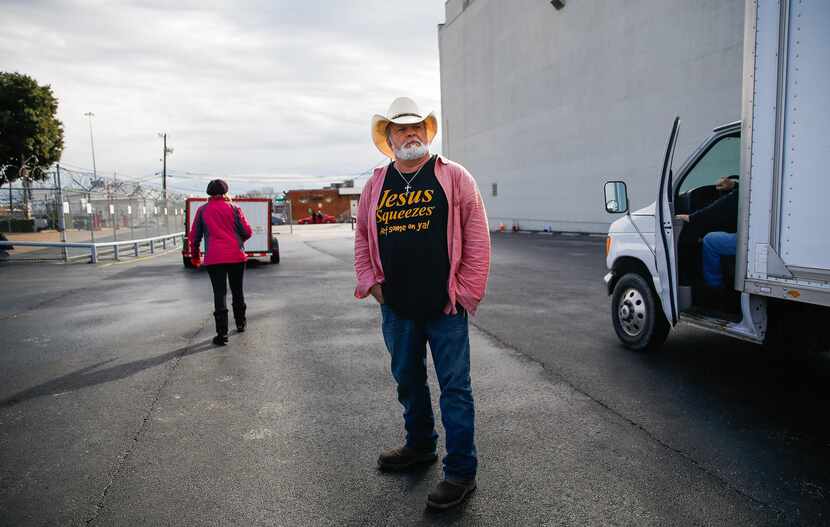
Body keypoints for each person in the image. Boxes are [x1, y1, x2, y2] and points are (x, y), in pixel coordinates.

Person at [354, 96, 491, 510]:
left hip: (444, 306)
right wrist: (373, 285)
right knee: (408, 381)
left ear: (427, 134)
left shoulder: (454, 176)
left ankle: (461, 472)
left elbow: (477, 236)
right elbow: (362, 237)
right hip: (396, 307)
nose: (410, 133)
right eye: (401, 128)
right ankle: (420, 446)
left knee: (455, 388)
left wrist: (465, 292)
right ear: (389, 138)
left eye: (417, 127)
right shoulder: (376, 184)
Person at [189, 179, 253, 345]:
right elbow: (247, 231)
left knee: (220, 293)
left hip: (214, 258)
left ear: (209, 192)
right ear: (226, 191)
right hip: (236, 256)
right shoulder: (234, 208)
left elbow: (194, 236)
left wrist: (195, 255)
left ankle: (222, 334)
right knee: (237, 290)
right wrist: (238, 242)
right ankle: (240, 323)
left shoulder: (203, 211)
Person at [677, 176, 739, 289]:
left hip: (750, 240)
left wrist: (692, 217)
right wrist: (733, 185)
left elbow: (722, 206)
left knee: (710, 241)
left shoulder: (740, 194)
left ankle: (714, 287)